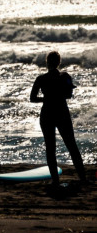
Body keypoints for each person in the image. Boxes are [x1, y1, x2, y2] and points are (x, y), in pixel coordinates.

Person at [30, 51, 86, 187]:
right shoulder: (65, 76)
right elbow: (68, 95)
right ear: (59, 62)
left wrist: (47, 98)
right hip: (61, 112)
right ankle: (83, 178)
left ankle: (55, 180)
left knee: (50, 148)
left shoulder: (41, 79)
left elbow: (32, 98)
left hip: (47, 113)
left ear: (47, 62)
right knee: (71, 145)